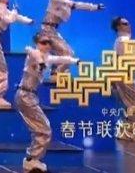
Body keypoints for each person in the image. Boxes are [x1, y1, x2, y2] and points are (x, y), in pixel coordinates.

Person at [17, 34, 79, 172]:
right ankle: (32, 158)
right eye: (43, 42)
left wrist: (75, 61)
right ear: (37, 43)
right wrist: (40, 63)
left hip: (30, 96)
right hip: (25, 95)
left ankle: (32, 159)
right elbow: (31, 51)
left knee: (41, 128)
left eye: (49, 43)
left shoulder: (48, 58)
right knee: (44, 129)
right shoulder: (33, 54)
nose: (47, 45)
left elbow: (62, 58)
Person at [39, 0, 104, 73]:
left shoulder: (67, 3)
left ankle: (55, 73)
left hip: (53, 31)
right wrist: (93, 7)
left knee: (68, 53)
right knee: (67, 53)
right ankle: (55, 73)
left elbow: (78, 5)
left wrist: (95, 7)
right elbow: (74, 4)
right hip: (46, 29)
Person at [110, 16, 135, 142]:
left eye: (128, 23)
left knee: (131, 104)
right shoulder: (123, 40)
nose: (129, 25)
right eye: (125, 23)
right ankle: (129, 133)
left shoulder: (121, 40)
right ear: (119, 26)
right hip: (126, 76)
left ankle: (127, 131)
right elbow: (130, 60)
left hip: (125, 76)